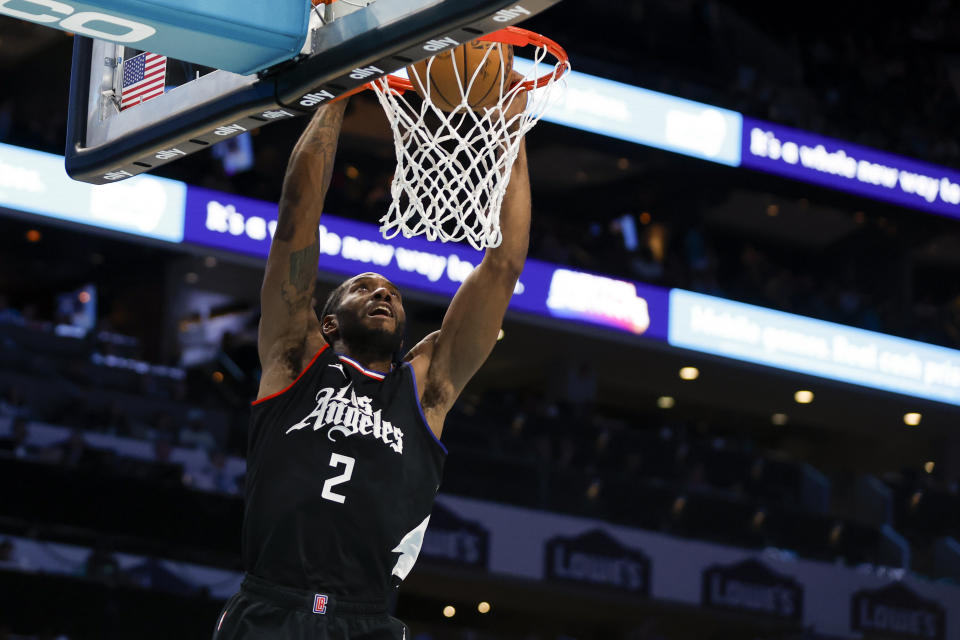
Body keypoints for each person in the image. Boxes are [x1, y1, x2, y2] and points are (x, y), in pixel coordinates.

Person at [214, 82, 530, 639]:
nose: (383, 294)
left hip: (366, 622)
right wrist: (337, 91)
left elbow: (502, 267)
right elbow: (296, 216)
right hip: (271, 607)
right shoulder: (295, 361)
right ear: (327, 322)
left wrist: (514, 131)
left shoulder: (427, 389)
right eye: (363, 287)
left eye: (391, 292)